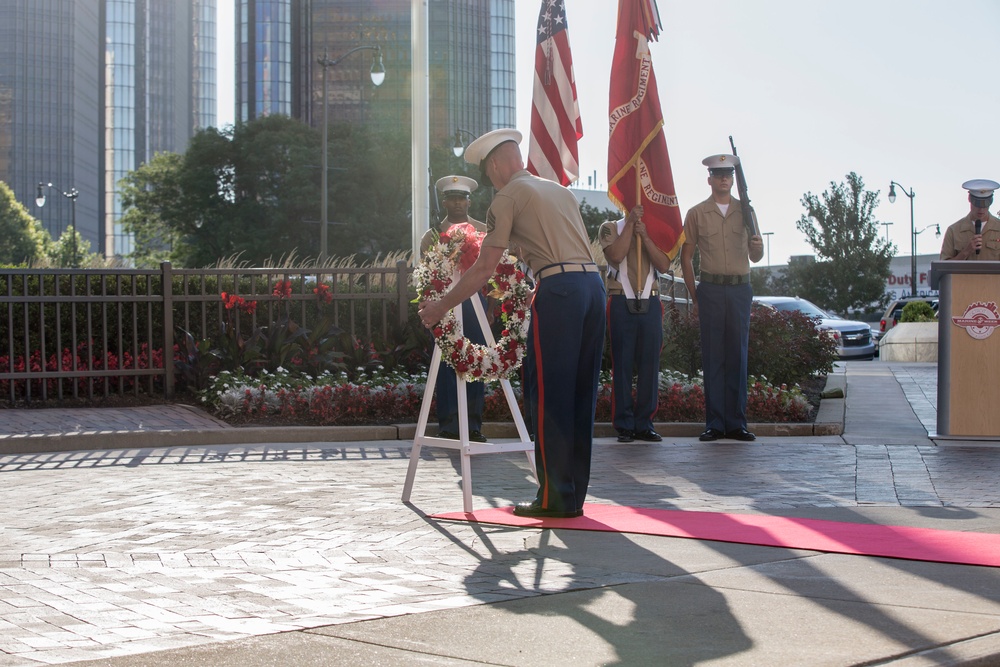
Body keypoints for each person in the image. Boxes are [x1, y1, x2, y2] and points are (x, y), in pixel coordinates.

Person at [418, 128, 605, 519]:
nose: (489, 179)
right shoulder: (557, 190)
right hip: (593, 289)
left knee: (549, 396)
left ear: (496, 165)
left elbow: (486, 267)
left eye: (488, 172)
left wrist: (439, 306)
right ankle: (573, 496)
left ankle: (553, 498)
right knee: (580, 396)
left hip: (559, 292)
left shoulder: (508, 197)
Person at [680, 154, 764, 442]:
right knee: (714, 356)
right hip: (712, 289)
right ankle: (715, 423)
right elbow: (686, 257)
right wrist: (694, 295)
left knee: (737, 356)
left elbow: (756, 256)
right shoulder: (697, 213)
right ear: (710, 180)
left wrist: (758, 246)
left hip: (740, 288)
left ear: (732, 179)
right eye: (718, 174)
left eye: (728, 174)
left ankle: (737, 423)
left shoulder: (746, 212)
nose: (724, 179)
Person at [420, 175, 489, 443]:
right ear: (445, 201)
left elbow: (491, 272)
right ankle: (449, 424)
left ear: (469, 201)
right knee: (447, 361)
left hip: (475, 303)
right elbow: (425, 275)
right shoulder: (433, 235)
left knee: (475, 359)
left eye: (462, 198)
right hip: (443, 305)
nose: (458, 203)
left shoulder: (484, 231)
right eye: (452, 198)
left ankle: (473, 425)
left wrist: (491, 305)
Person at [599, 205, 672, 443]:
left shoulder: (655, 230)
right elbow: (616, 255)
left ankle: (644, 424)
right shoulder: (610, 227)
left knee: (649, 365)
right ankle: (624, 424)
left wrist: (646, 236)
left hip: (650, 302)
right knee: (622, 364)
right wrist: (630, 225)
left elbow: (664, 265)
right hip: (621, 300)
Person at [940, 179, 1000, 261]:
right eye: (977, 204)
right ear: (969, 199)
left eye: (985, 205)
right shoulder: (954, 230)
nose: (981, 209)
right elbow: (944, 267)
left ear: (991, 202)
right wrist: (965, 252)